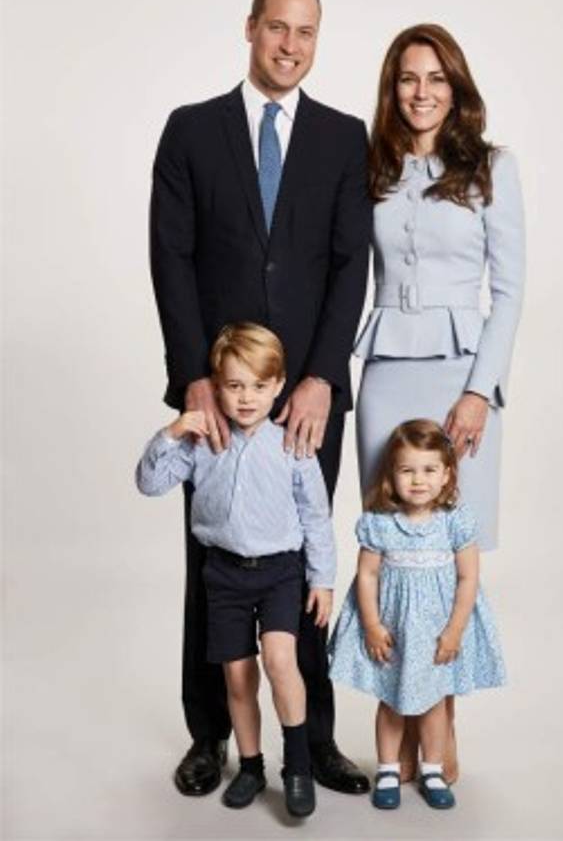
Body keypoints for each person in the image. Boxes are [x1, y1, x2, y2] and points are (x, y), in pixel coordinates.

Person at [149, 0, 372, 796]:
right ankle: (210, 735)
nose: (290, 45)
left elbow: (351, 264)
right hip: (220, 395)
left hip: (305, 400)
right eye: (278, 27)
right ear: (251, 29)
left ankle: (313, 740)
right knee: (211, 563)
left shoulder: (343, 138)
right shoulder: (192, 130)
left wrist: (322, 379)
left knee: (305, 564)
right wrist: (193, 380)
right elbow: (170, 257)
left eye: (305, 32)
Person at [354, 23, 524, 782]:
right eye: (407, 78)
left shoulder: (492, 167)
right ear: (392, 89)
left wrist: (479, 391)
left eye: (435, 78)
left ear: (455, 89)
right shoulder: (371, 166)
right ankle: (400, 729)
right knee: (394, 553)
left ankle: (441, 729)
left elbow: (509, 291)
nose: (420, 92)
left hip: (461, 374)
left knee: (449, 551)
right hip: (387, 371)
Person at [136, 323, 335, 817]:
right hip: (224, 575)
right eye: (234, 385)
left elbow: (316, 517)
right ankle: (250, 766)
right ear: (217, 386)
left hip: (280, 573)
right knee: (239, 677)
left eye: (259, 386)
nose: (247, 398)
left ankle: (298, 765)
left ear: (279, 385)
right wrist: (172, 432)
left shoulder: (291, 444)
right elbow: (149, 483)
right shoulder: (203, 442)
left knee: (280, 660)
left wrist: (323, 580)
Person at [328, 419, 505, 810]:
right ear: (391, 475)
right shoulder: (380, 524)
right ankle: (389, 769)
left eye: (429, 470)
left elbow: (468, 578)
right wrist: (372, 626)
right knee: (391, 701)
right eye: (407, 470)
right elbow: (367, 576)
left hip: (437, 633)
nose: (418, 480)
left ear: (447, 474)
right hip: (394, 632)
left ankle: (433, 769)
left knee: (434, 702)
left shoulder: (455, 522)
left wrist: (455, 630)